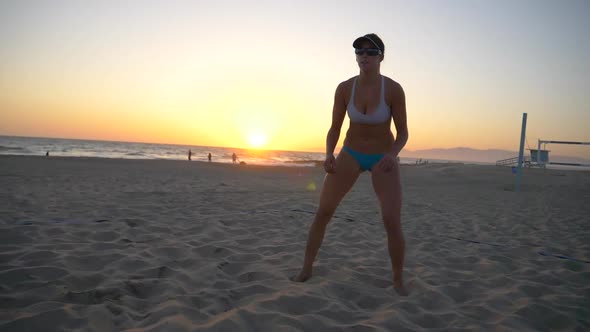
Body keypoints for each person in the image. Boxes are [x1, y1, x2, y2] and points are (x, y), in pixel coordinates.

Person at [293, 33, 410, 296]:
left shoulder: (392, 89)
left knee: (391, 219)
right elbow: (335, 126)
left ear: (381, 56)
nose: (364, 56)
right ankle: (306, 268)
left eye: (371, 51)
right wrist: (328, 153)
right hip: (351, 153)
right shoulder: (345, 88)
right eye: (360, 51)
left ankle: (398, 279)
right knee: (323, 212)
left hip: (383, 158)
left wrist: (392, 154)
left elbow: (403, 133)